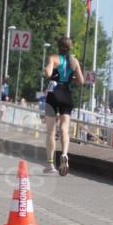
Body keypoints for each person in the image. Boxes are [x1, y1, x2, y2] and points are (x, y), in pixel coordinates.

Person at [42, 36, 85, 176]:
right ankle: (65, 154)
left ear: (58, 46)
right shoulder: (74, 61)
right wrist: (71, 78)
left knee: (51, 131)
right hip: (66, 94)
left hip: (54, 94)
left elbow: (48, 73)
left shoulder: (53, 58)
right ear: (70, 47)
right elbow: (81, 81)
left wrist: (46, 71)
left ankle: (50, 164)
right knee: (64, 129)